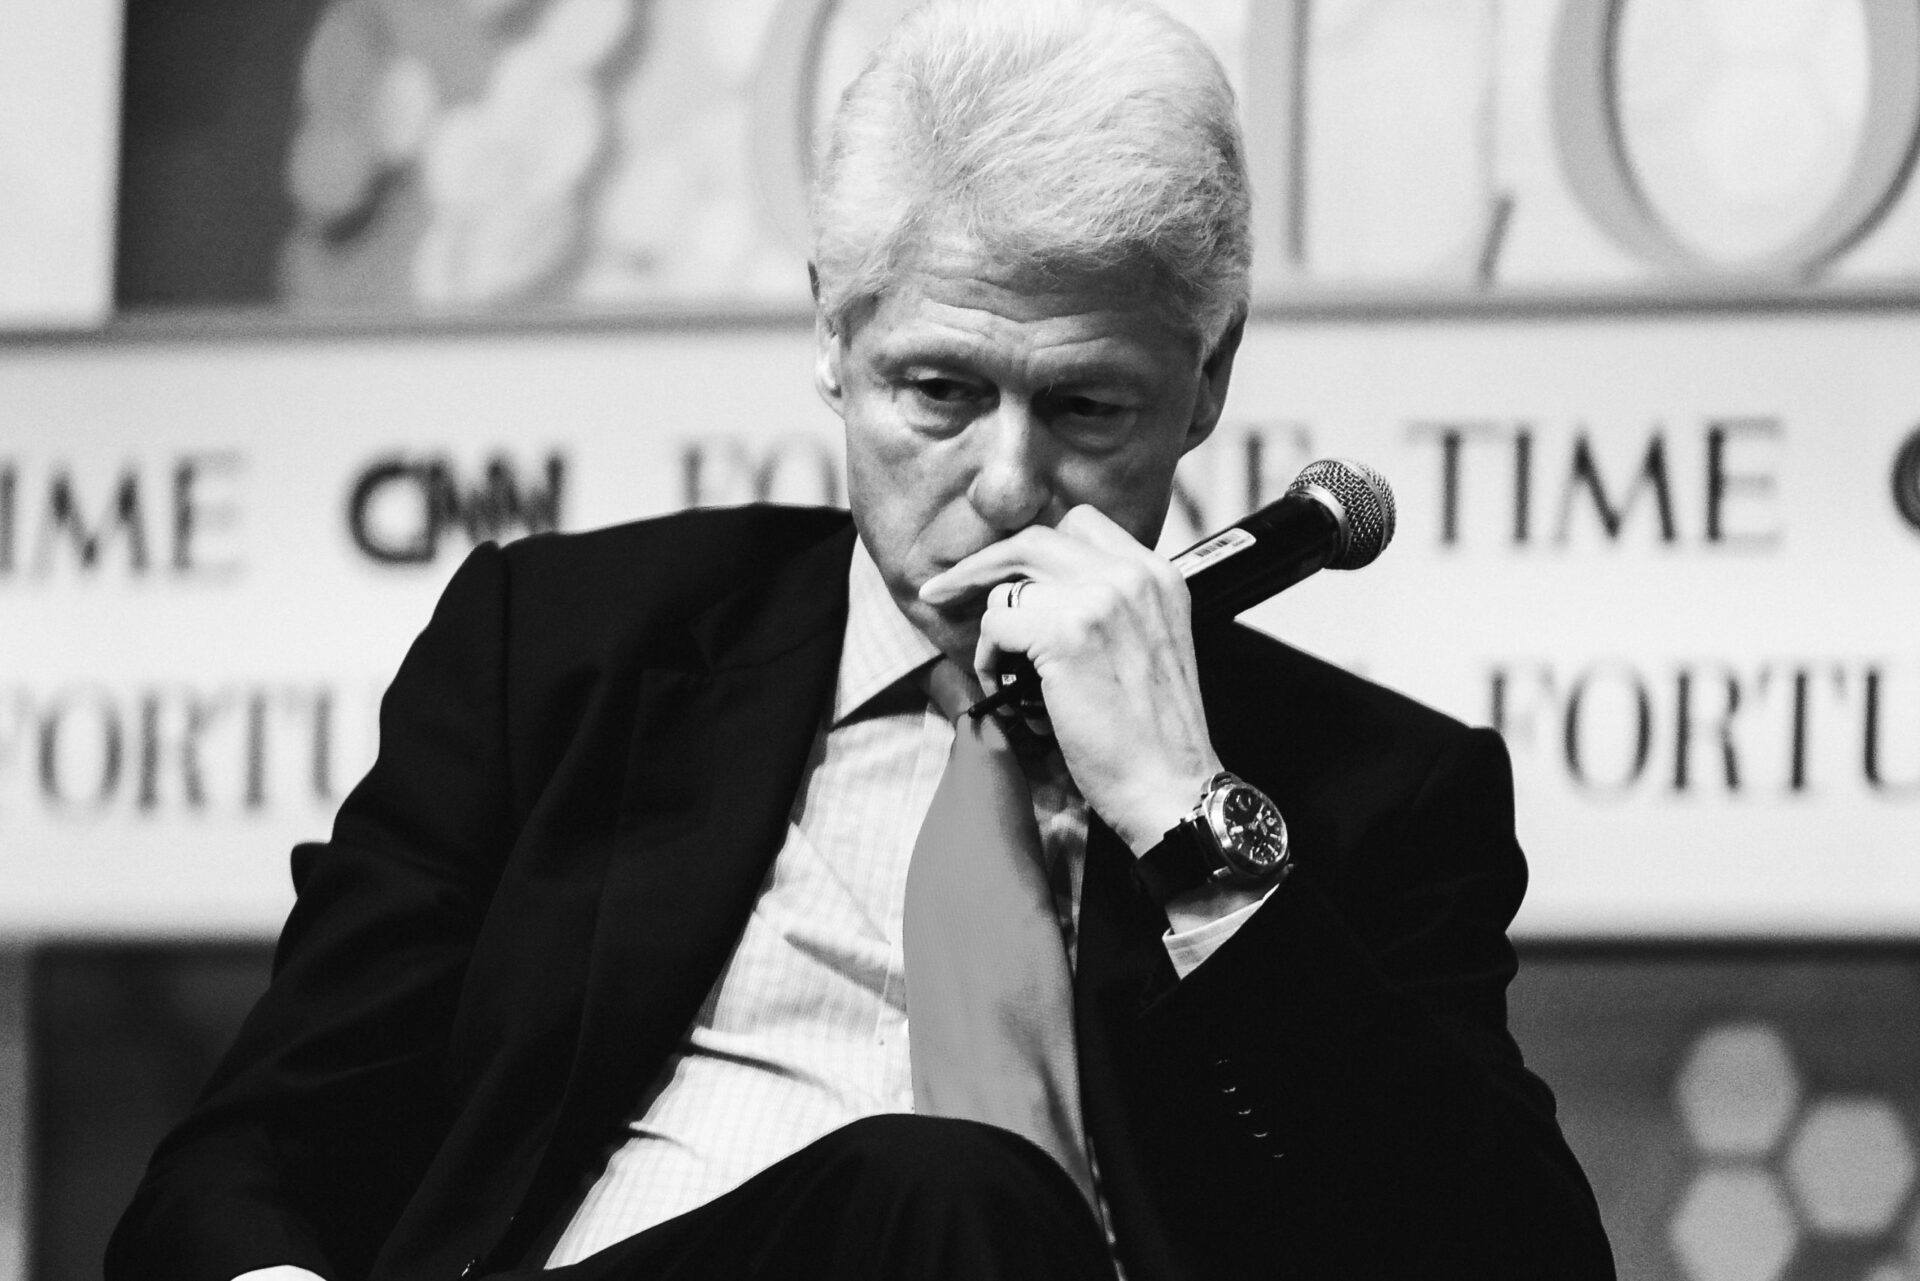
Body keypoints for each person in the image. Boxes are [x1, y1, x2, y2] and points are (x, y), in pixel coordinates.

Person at [108, 1, 1614, 1277]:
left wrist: (1184, 812)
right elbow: (251, 1154)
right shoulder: (563, 651)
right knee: (938, 1194)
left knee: (958, 1201)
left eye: (1089, 408)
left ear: (1207, 382)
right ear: (831, 334)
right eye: (940, 391)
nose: (1012, 485)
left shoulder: (1362, 795)